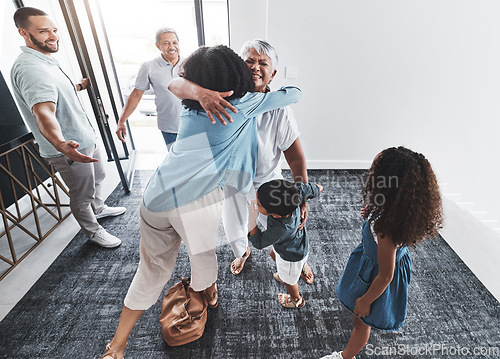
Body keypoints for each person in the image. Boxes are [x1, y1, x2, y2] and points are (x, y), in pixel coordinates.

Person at [99, 45, 301, 358]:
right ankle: (211, 296)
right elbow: (294, 92)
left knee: (150, 271)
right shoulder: (246, 103)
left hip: (154, 197)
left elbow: (176, 80)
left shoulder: (189, 104)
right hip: (192, 205)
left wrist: (200, 91)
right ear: (235, 75)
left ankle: (117, 346)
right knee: (204, 263)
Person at [169, 40, 311, 279]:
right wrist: (201, 94)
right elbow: (175, 83)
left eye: (262, 63)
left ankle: (294, 258)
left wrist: (302, 194)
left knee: (289, 227)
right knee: (234, 225)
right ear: (238, 68)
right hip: (232, 180)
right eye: (249, 61)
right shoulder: (222, 97)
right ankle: (242, 252)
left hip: (268, 182)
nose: (255, 67)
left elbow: (295, 157)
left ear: (273, 73)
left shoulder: (278, 107)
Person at [10, 7, 126, 248]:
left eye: (54, 30)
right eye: (43, 31)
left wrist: (79, 87)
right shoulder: (31, 69)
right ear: (23, 32)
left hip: (85, 138)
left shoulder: (45, 60)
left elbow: (55, 93)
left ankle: (99, 208)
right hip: (70, 148)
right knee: (81, 196)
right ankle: (93, 231)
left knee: (98, 178)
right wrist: (61, 144)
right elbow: (44, 112)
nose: (53, 36)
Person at [320, 147, 443, 359]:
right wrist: (372, 211)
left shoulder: (385, 229)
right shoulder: (398, 211)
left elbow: (386, 275)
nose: (369, 173)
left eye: (374, 171)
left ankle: (345, 356)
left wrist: (366, 300)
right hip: (379, 262)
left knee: (361, 321)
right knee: (361, 317)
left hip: (376, 276)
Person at [247, 179, 323, 308]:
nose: (255, 203)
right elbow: (319, 187)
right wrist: (305, 200)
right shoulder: (295, 192)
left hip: (290, 256)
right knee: (273, 254)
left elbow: (259, 243)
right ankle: (301, 267)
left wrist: (251, 219)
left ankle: (296, 299)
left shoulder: (280, 229)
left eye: (258, 204)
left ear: (275, 215)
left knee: (290, 280)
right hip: (300, 243)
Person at [116, 28, 183, 149]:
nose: (171, 46)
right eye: (166, 43)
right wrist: (122, 121)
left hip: (193, 124)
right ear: (158, 46)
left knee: (198, 162)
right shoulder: (149, 66)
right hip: (169, 127)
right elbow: (136, 95)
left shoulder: (190, 63)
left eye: (174, 42)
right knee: (177, 163)